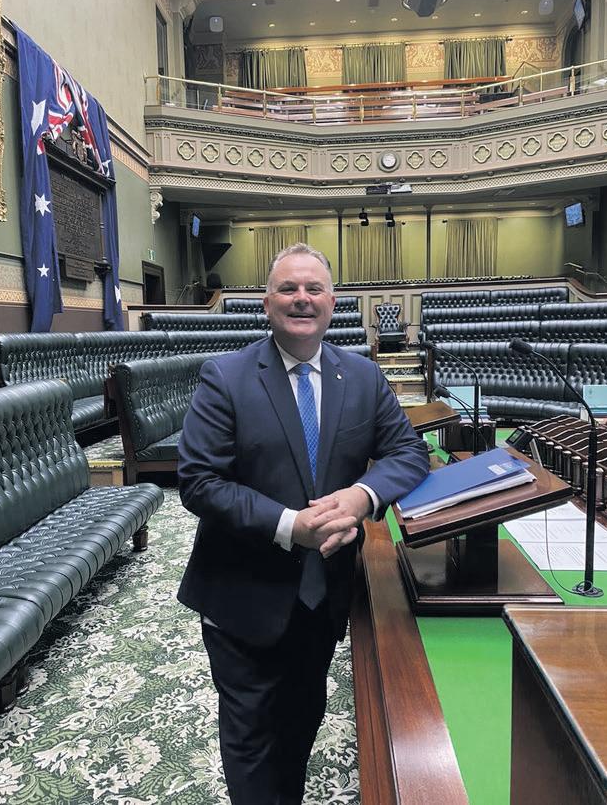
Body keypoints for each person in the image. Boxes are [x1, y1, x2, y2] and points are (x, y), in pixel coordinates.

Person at [177, 243, 429, 805]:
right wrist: (292, 524)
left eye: (314, 289)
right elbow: (199, 481)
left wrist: (362, 496)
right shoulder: (226, 377)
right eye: (288, 288)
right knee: (250, 739)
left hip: (323, 597)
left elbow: (409, 452)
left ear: (333, 303)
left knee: (301, 719)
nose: (302, 298)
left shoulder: (362, 377)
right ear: (266, 303)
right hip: (242, 597)